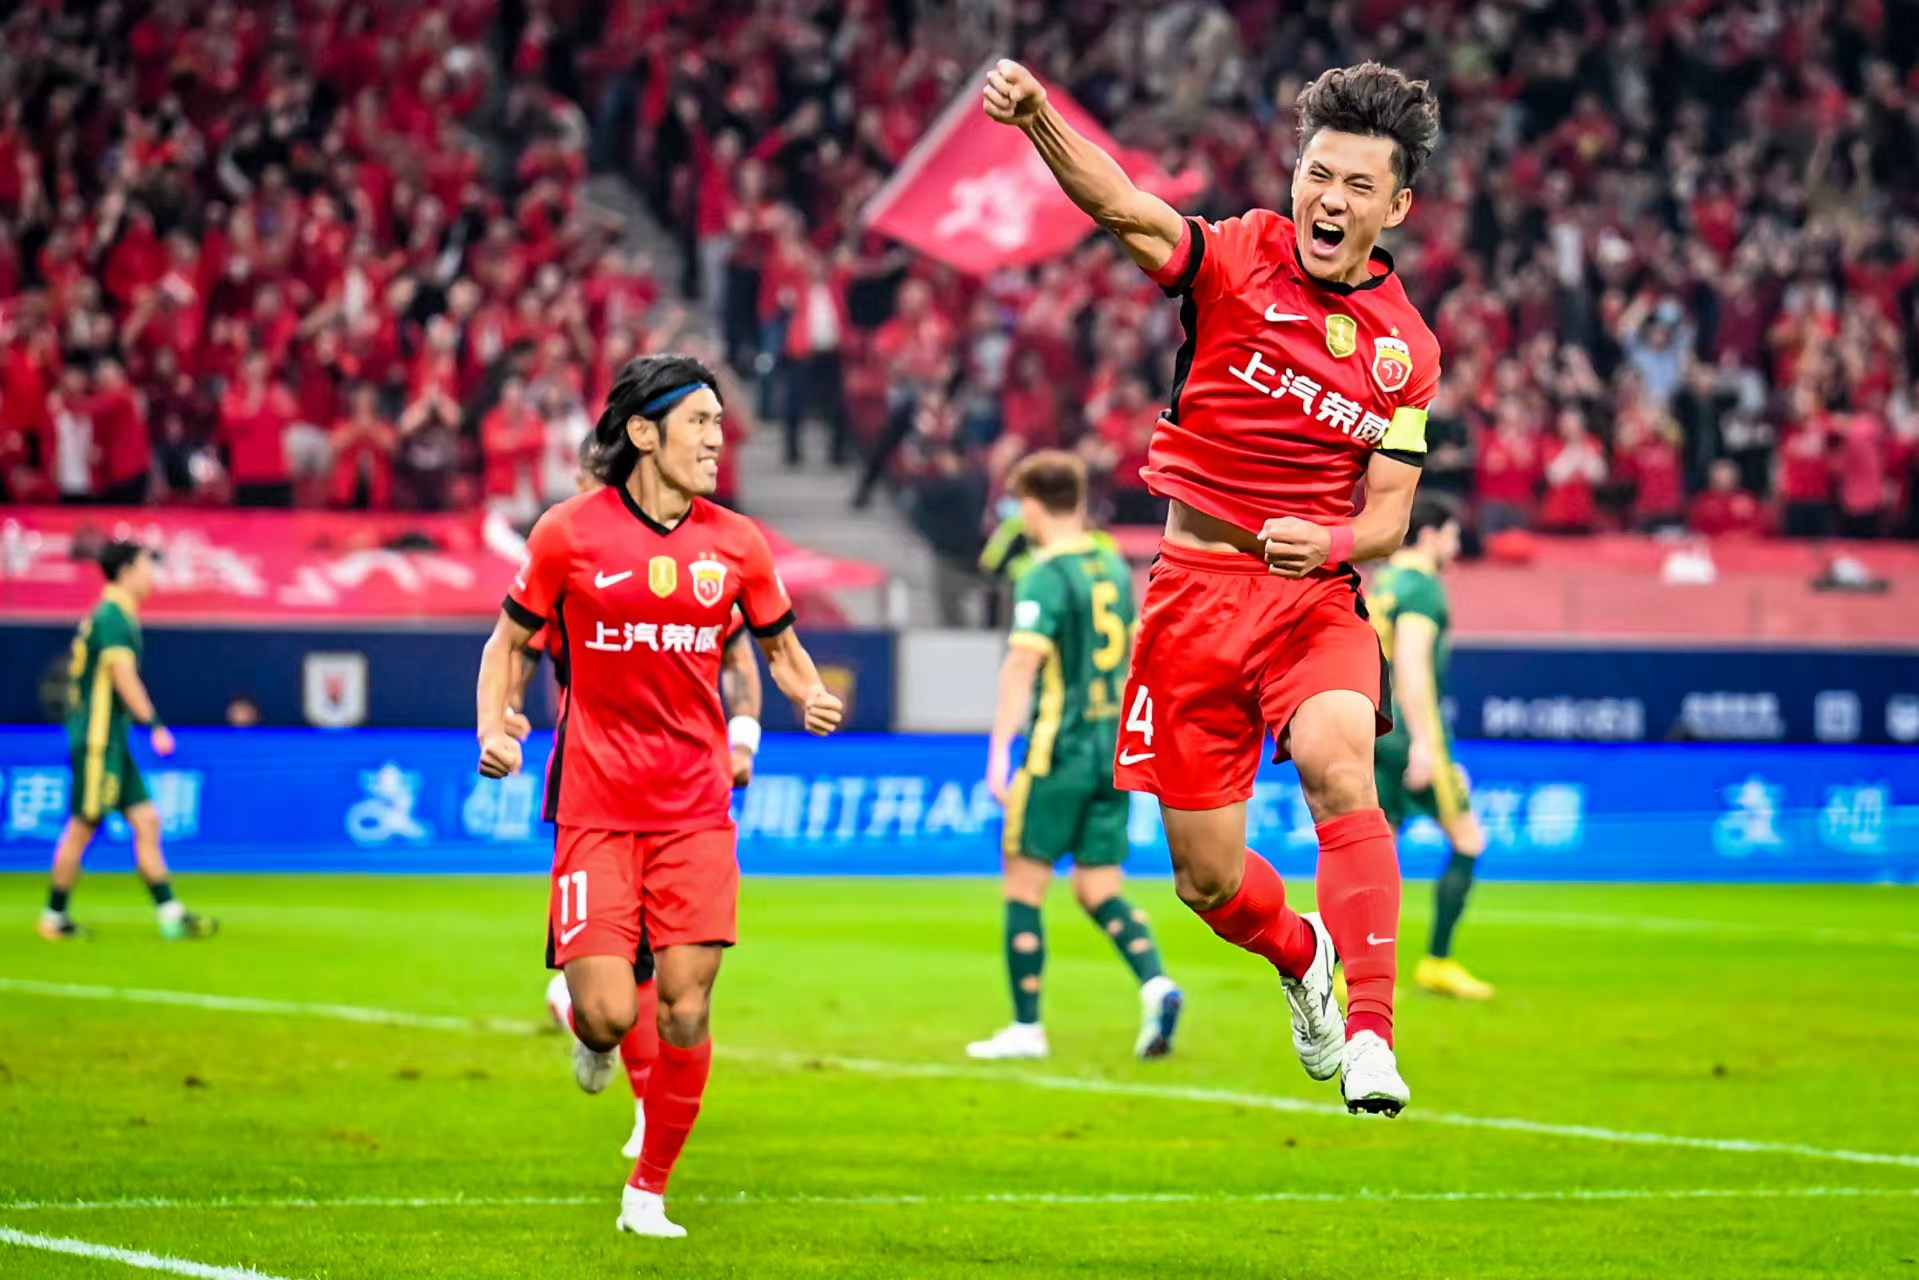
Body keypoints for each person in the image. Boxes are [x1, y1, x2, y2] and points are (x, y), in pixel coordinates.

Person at [986, 57, 1442, 1115]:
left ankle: (1371, 1036)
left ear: (1395, 208)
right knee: (1204, 878)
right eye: (1317, 174)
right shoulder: (1235, 257)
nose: (1330, 199)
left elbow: (1387, 518)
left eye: (1357, 185)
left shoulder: (1407, 354)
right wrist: (1040, 119)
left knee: (1340, 764)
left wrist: (1330, 539)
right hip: (1191, 595)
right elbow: (1122, 207)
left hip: (1312, 601)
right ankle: (1302, 955)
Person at [475, 353, 843, 1239]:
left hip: (695, 810)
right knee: (609, 1012)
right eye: (700, 422)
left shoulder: (738, 543)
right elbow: (509, 644)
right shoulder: (568, 534)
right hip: (595, 807)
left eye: (720, 424)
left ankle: (647, 1192)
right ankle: (582, 1024)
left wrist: (805, 693)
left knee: (685, 1002)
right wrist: (495, 725)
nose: (717, 440)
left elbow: (777, 644)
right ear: (643, 432)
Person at [970, 452, 1182, 1063]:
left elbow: (1023, 664)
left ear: (1033, 506)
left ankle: (1026, 1027)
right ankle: (1156, 984)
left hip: (1057, 749)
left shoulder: (1045, 574)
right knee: (1097, 887)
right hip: (1113, 749)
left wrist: (998, 753)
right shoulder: (1110, 564)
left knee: (1024, 883)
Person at [38, 541, 217, 942]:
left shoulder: (116, 615)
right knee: (83, 825)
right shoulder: (112, 617)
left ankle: (171, 915)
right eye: (145, 567)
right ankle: (53, 917)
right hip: (98, 740)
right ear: (125, 572)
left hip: (113, 739)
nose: (151, 575)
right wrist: (154, 724)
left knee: (146, 820)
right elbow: (123, 677)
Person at [1368, 496, 1492, 1000]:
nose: (1455, 547)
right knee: (1468, 839)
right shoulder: (1421, 587)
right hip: (1411, 734)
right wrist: (1424, 743)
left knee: (1375, 854)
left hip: (1375, 728)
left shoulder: (1384, 582)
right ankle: (1438, 961)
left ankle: (1351, 970)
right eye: (1452, 536)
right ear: (1430, 534)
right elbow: (1413, 668)